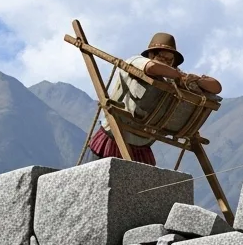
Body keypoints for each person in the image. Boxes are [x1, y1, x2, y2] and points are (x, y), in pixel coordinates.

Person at [87, 32, 222, 165]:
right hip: (114, 136)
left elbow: (216, 88)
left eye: (170, 60)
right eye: (163, 57)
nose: (167, 63)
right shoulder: (136, 61)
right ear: (152, 55)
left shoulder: (174, 79)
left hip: (141, 145)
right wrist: (179, 76)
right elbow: (152, 67)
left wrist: (195, 80)